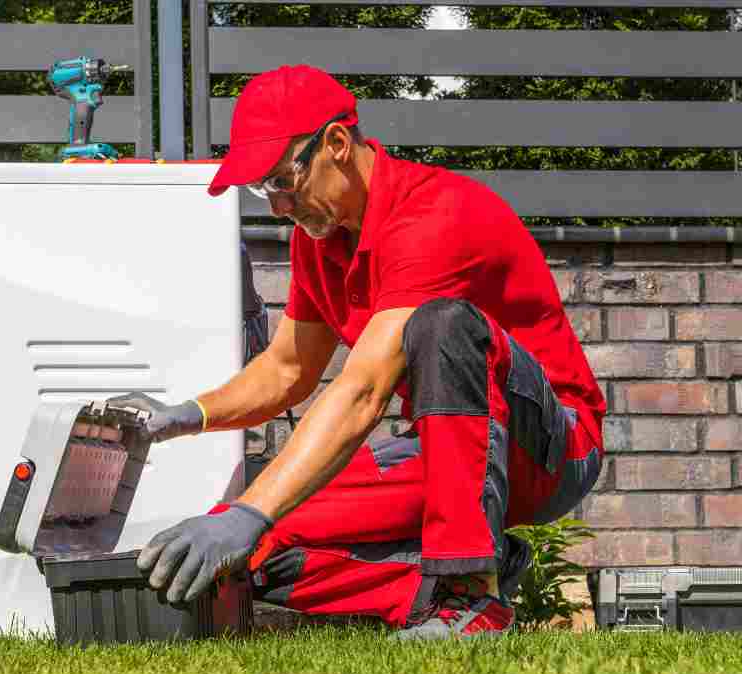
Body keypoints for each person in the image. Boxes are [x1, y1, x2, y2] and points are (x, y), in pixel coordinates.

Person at [108, 64, 605, 639]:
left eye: (280, 181)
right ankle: (457, 576)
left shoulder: (434, 215)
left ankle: (470, 596)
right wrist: (185, 416)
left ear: (337, 144)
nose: (275, 206)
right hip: (449, 454)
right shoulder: (319, 240)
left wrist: (252, 509)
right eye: (261, 189)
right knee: (249, 552)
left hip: (551, 448)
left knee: (442, 325)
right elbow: (287, 369)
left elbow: (364, 389)